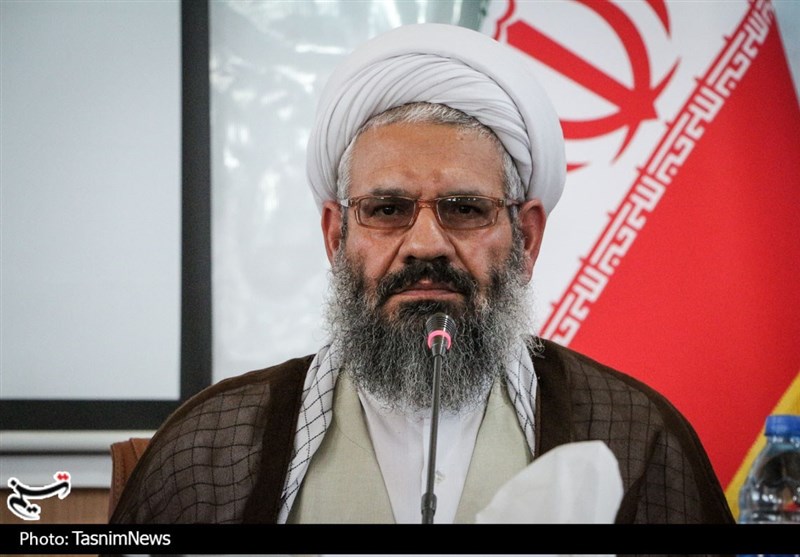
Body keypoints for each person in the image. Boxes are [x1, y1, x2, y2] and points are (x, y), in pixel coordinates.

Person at [110, 23, 734, 526]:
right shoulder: (211, 448)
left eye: (465, 209)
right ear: (335, 235)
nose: (426, 244)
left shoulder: (636, 439)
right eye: (387, 210)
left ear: (527, 238)